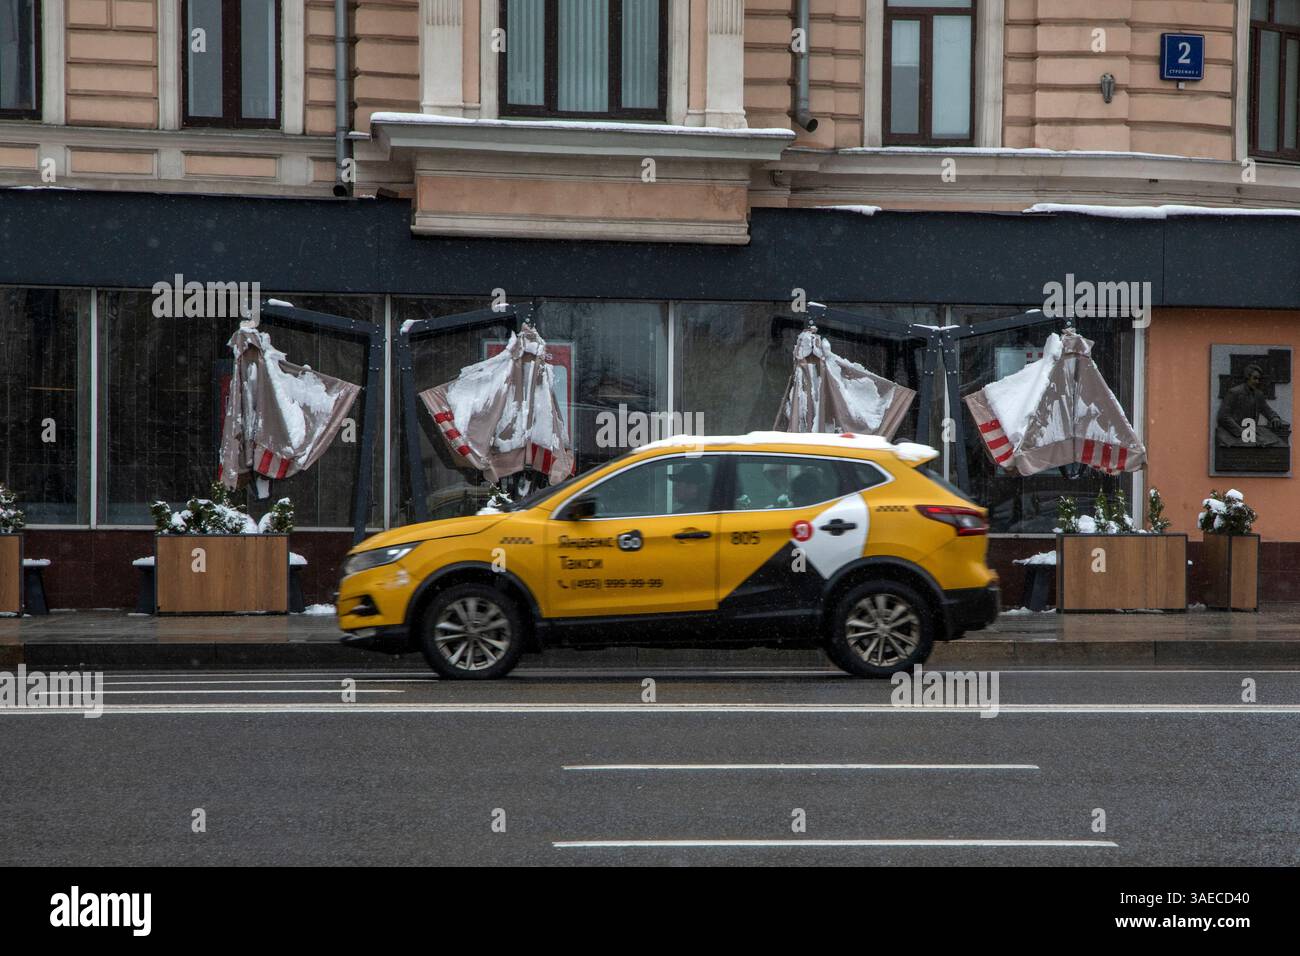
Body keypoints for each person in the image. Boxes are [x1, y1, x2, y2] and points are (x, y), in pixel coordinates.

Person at [1216, 363, 1290, 448]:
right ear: (1247, 377)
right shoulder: (1234, 392)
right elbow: (1223, 417)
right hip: (1234, 432)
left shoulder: (1258, 394)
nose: (1257, 382)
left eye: (1259, 379)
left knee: (1277, 445)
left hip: (1252, 430)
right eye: (1254, 378)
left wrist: (1274, 417)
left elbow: (1267, 410)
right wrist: (1242, 432)